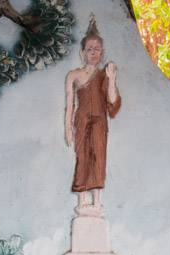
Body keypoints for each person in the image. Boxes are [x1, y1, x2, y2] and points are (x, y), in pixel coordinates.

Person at [64, 17, 121, 214]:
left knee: (99, 157)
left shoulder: (104, 76)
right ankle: (82, 201)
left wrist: (112, 79)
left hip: (99, 122)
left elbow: (113, 103)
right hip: (81, 121)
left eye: (97, 49)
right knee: (82, 158)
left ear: (102, 52)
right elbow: (69, 106)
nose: (94, 52)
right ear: (82, 53)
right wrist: (67, 129)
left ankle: (97, 202)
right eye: (90, 49)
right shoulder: (74, 75)